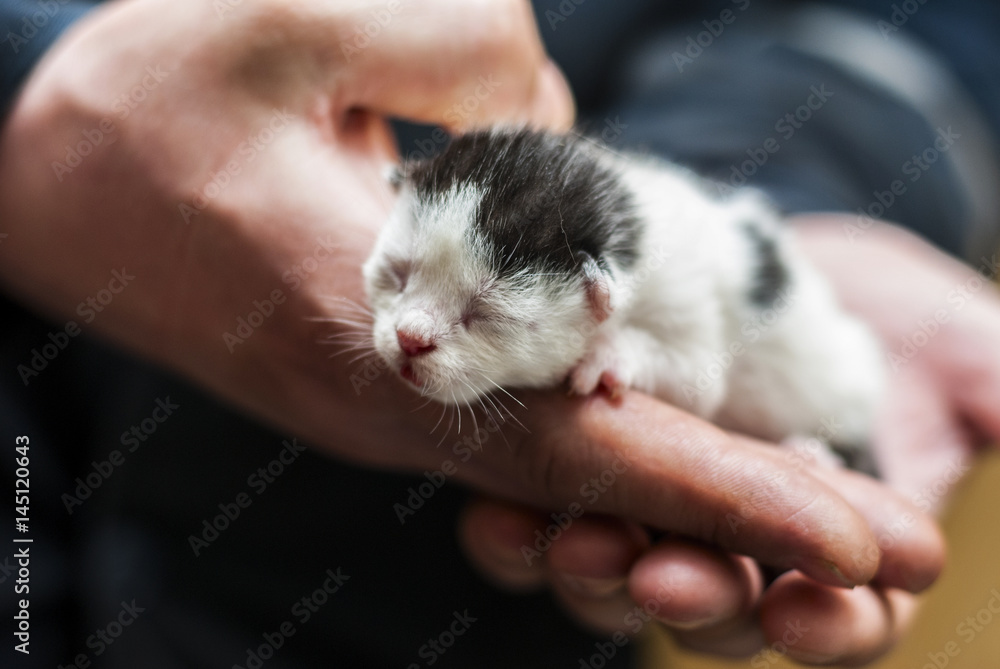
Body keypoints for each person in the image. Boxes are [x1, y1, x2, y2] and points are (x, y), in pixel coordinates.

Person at [0, 0, 996, 666]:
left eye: (475, 317)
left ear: (596, 301)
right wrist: (36, 84)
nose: (406, 337)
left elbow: (906, 25)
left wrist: (837, 152)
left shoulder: (679, 272)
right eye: (393, 278)